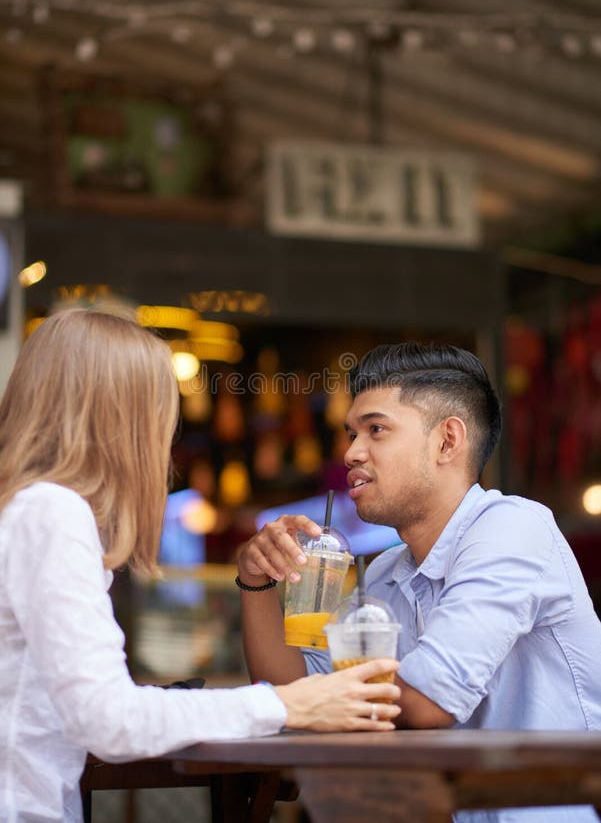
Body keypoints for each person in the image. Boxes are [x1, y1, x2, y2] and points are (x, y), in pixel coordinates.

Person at [0, 310, 400, 823]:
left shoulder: (26, 508)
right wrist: (291, 704)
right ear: (124, 419)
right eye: (160, 416)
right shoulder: (50, 512)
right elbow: (109, 718)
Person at [238, 342, 601, 823]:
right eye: (351, 434)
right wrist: (256, 581)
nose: (350, 452)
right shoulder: (388, 571)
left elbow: (430, 701)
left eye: (376, 430)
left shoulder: (513, 527)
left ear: (447, 441)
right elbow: (294, 685)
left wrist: (313, 703)